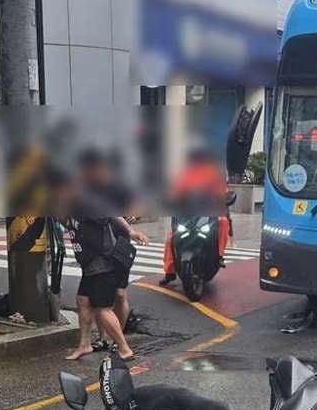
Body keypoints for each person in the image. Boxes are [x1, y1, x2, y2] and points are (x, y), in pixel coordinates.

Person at [66, 149, 147, 361]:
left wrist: (131, 231)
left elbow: (111, 214)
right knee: (83, 301)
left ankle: (122, 347)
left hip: (101, 260)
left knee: (104, 308)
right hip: (89, 261)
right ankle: (85, 345)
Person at [160, 147, 231, 285]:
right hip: (187, 215)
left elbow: (222, 192)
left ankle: (219, 255)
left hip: (208, 213)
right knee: (170, 238)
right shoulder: (184, 175)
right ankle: (169, 272)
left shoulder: (214, 174)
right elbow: (175, 193)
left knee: (223, 222)